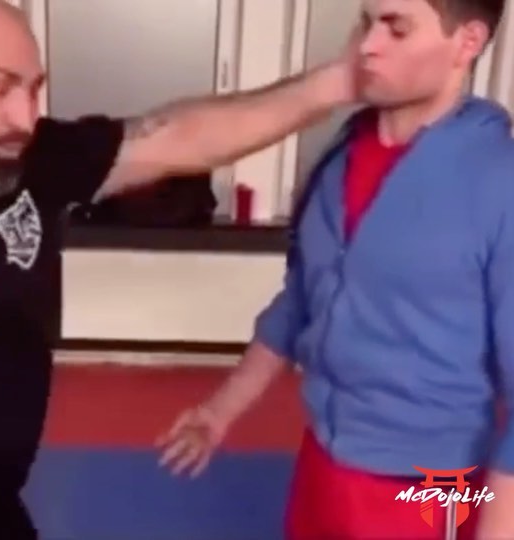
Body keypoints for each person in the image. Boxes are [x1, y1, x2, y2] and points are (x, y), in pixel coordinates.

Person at [0, 1, 357, 539]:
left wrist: (336, 84)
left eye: (33, 88)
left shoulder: (22, 159)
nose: (25, 117)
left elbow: (177, 137)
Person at [157, 0, 514, 538]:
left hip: (432, 488)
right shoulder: (340, 157)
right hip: (323, 463)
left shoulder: (499, 183)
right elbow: (301, 299)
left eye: (396, 28)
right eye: (366, 22)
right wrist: (219, 411)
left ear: (467, 42)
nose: (367, 45)